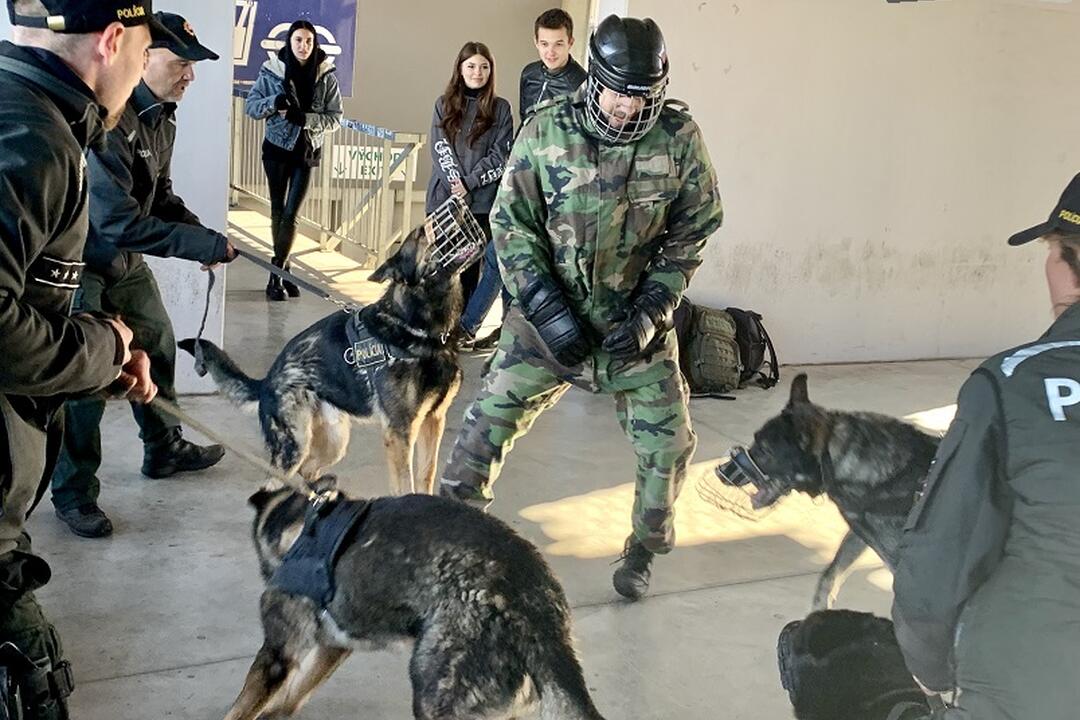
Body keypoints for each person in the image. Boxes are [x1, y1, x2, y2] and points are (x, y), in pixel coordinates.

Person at [439, 15, 723, 601]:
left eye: (642, 95)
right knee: (481, 433)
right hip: (546, 326)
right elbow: (511, 224)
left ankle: (644, 546)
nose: (626, 107)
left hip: (633, 328)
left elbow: (695, 227)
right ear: (595, 77)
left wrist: (653, 306)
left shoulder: (678, 139)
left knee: (669, 448)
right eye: (618, 91)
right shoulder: (547, 130)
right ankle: (453, 546)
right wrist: (542, 305)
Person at [0, 0, 166, 714]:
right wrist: (99, 349)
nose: (140, 73)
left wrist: (101, 347)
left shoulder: (24, 111)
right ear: (111, 40)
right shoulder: (34, 137)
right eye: (143, 51)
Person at [891, 173, 1080, 720]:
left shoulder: (1010, 385)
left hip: (1028, 681)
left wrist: (929, 670)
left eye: (1052, 252)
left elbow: (938, 562)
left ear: (1068, 266)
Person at [48, 11, 236, 539]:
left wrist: (206, 239)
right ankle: (74, 493)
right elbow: (119, 220)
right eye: (181, 64)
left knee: (158, 343)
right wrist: (198, 243)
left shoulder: (162, 115)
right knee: (86, 380)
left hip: (123, 262)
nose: (190, 76)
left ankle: (164, 448)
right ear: (146, 56)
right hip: (80, 265)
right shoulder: (108, 118)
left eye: (192, 66)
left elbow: (160, 197)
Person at [244, 19, 343, 301]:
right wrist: (273, 102)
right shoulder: (272, 71)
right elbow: (252, 106)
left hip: (307, 152)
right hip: (276, 149)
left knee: (292, 214)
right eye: (298, 40)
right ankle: (283, 270)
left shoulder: (326, 76)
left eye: (309, 41)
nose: (303, 46)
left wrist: (305, 119)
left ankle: (276, 275)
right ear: (290, 42)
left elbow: (335, 118)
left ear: (315, 44)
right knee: (278, 211)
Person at [425, 40, 514, 345]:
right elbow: (439, 147)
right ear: (460, 69)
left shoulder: (501, 109)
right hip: (444, 203)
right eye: (471, 66)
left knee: (471, 273)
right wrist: (455, 183)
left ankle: (457, 333)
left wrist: (470, 182)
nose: (478, 72)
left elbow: (501, 155)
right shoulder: (443, 103)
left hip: (481, 205)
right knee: (441, 272)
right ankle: (435, 329)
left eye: (484, 66)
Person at [519, 7, 587, 121]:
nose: (550, 52)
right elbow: (524, 120)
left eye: (558, 44)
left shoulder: (582, 85)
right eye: (544, 44)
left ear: (570, 43)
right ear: (536, 42)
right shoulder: (529, 73)